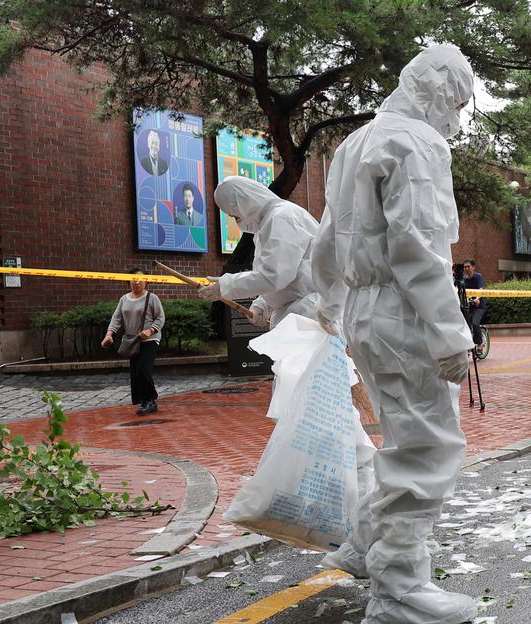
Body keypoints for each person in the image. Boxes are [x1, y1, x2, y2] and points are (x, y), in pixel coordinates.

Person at [310, 45, 477, 624]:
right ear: (437, 90)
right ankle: (399, 589)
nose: (456, 116)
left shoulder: (356, 141)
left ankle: (366, 547)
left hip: (363, 307)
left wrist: (332, 304)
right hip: (402, 311)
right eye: (456, 101)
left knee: (400, 437)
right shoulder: (418, 143)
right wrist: (450, 334)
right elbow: (420, 246)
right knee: (426, 447)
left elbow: (327, 238)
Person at [197, 176, 319, 329]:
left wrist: (226, 286)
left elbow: (274, 276)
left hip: (309, 315)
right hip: (300, 314)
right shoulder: (270, 222)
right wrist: (263, 305)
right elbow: (285, 277)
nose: (236, 220)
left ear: (244, 202)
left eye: (235, 215)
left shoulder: (281, 217)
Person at [101, 269, 166, 415]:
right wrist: (109, 334)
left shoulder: (152, 298)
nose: (137, 282)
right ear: (128, 281)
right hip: (132, 340)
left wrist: (150, 331)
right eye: (133, 279)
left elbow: (160, 318)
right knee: (136, 373)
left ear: (146, 281)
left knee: (143, 369)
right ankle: (145, 401)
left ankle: (150, 400)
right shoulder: (124, 299)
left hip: (150, 339)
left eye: (140, 280)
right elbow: (116, 318)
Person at [462, 259, 486, 347]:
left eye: (468, 266)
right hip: (468, 306)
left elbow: (481, 289)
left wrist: (477, 298)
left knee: (475, 323)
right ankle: (467, 346)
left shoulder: (478, 277)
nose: (466, 268)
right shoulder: (463, 279)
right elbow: (462, 292)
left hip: (479, 307)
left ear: (473, 267)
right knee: (465, 326)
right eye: (464, 267)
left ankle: (480, 343)